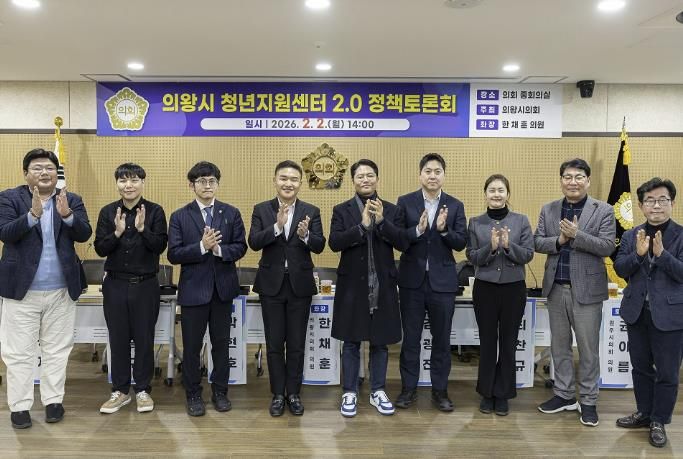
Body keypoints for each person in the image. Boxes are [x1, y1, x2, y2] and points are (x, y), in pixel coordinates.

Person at [0, 148, 92, 429]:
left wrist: (67, 216)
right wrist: (32, 215)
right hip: (21, 292)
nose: (44, 172)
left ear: (57, 173)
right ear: (26, 173)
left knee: (57, 350)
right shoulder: (9, 198)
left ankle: (53, 402)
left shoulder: (70, 199)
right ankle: (20, 406)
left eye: (50, 168)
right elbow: (5, 232)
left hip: (61, 290)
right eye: (37, 168)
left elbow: (84, 233)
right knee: (19, 353)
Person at [534, 158, 616, 427]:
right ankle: (564, 395)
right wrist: (559, 240)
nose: (573, 182)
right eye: (567, 177)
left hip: (588, 291)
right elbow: (537, 242)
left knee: (588, 349)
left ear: (588, 181)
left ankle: (589, 401)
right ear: (561, 181)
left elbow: (607, 246)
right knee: (559, 346)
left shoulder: (603, 210)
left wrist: (577, 235)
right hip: (556, 288)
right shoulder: (549, 209)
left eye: (578, 177)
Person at [167, 161, 247, 417]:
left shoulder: (231, 213)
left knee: (221, 346)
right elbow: (174, 254)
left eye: (212, 181)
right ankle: (193, 394)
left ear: (217, 184)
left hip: (223, 292)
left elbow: (241, 247)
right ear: (191, 185)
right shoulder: (180, 216)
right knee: (191, 348)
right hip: (193, 292)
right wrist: (202, 246)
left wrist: (219, 249)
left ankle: (220, 392)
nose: (207, 185)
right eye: (201, 181)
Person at [329, 159, 407, 417]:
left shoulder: (392, 210)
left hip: (382, 285)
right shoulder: (341, 210)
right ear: (353, 181)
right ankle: (349, 391)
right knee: (351, 341)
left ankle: (378, 390)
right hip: (352, 285)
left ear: (377, 179)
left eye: (370, 175)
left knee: (380, 342)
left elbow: (402, 242)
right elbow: (335, 243)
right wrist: (361, 227)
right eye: (360, 176)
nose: (365, 180)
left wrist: (382, 221)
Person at [248, 160, 326, 417]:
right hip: (271, 286)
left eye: (293, 179)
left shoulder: (311, 211)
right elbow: (254, 242)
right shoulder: (262, 209)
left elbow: (319, 245)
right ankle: (278, 394)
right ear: (275, 181)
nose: (288, 183)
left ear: (300, 183)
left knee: (296, 343)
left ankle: (293, 393)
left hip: (299, 286)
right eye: (283, 178)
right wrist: (277, 227)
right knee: (273, 344)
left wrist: (305, 235)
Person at [395, 153, 467, 412]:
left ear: (444, 175)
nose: (432, 176)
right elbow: (398, 239)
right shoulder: (405, 202)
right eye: (428, 171)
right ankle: (408, 389)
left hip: (443, 284)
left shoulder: (455, 205)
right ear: (420, 175)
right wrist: (417, 230)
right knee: (411, 339)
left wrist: (444, 230)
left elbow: (461, 242)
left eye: (437, 171)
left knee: (442, 341)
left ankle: (440, 391)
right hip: (412, 282)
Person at [614, 178, 683, 448]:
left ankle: (659, 420)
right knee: (641, 368)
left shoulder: (681, 235)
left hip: (670, 316)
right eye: (650, 201)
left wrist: (662, 255)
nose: (656, 206)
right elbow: (620, 268)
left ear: (672, 203)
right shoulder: (631, 235)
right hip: (637, 313)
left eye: (662, 200)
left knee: (667, 372)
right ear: (641, 206)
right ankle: (644, 412)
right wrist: (639, 255)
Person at [94, 163, 168, 414]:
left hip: (145, 285)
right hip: (114, 284)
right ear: (117, 184)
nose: (129, 185)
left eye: (134, 180)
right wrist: (116, 233)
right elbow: (100, 248)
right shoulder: (108, 212)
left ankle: (143, 390)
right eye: (123, 180)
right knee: (118, 339)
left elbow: (160, 246)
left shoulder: (155, 211)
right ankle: (120, 390)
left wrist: (142, 230)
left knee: (144, 338)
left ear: (143, 183)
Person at [466, 174, 534, 416]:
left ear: (508, 194)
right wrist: (491, 248)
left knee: (508, 342)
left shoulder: (521, 221)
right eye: (492, 190)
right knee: (487, 342)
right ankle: (487, 392)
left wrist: (507, 246)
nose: (496, 194)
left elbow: (528, 254)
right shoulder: (475, 222)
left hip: (513, 289)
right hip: (484, 288)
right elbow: (472, 256)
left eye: (501, 190)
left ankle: (503, 394)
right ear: (485, 194)